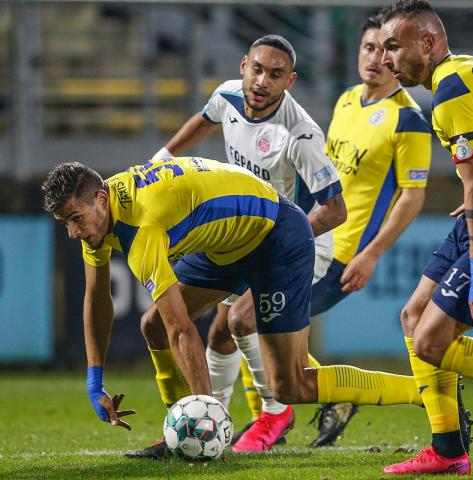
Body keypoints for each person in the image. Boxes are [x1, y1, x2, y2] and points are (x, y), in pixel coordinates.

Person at [43, 158, 428, 466]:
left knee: (290, 385)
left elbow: (184, 332)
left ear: (102, 199)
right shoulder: (99, 215)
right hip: (228, 244)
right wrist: (95, 382)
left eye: (75, 219)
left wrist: (210, 425)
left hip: (277, 236)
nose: (73, 233)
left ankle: (424, 393)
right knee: (153, 325)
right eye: (65, 224)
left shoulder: (142, 226)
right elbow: (96, 299)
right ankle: (179, 432)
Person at [132, 34, 347, 456]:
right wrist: (163, 157)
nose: (262, 81)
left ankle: (275, 411)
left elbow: (335, 210)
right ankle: (202, 424)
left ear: (291, 81)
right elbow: (204, 117)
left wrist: (285, 241)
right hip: (244, 235)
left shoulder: (300, 135)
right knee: (218, 333)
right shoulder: (228, 95)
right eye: (258, 69)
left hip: (300, 240)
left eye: (276, 74)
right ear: (244, 65)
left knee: (241, 322)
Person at [306, 14, 432, 448]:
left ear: (398, 58)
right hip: (310, 241)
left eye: (386, 50)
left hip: (345, 254)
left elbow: (412, 196)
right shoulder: (344, 101)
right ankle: (326, 401)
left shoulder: (409, 120)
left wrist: (371, 254)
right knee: (255, 323)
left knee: (257, 322)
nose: (376, 58)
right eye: (368, 48)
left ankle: (292, 412)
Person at [376, 0, 473, 475]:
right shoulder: (461, 74)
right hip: (472, 212)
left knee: (431, 343)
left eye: (394, 46)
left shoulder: (452, 89)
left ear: (429, 42)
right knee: (413, 314)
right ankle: (448, 451)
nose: (385, 59)